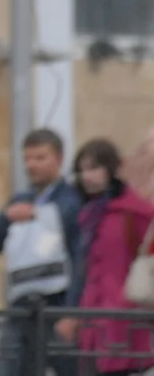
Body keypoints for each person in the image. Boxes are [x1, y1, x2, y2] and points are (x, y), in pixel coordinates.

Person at [0, 128, 81, 376]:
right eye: (27, 158)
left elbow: (79, 256)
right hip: (21, 308)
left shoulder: (71, 198)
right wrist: (6, 218)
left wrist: (73, 311)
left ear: (59, 159)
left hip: (57, 305)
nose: (31, 165)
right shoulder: (20, 200)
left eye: (40, 157)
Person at [56, 138, 154, 376]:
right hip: (92, 318)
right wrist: (73, 312)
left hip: (128, 318)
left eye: (94, 168)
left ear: (112, 168)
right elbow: (83, 271)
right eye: (82, 170)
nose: (87, 176)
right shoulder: (88, 215)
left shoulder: (135, 212)